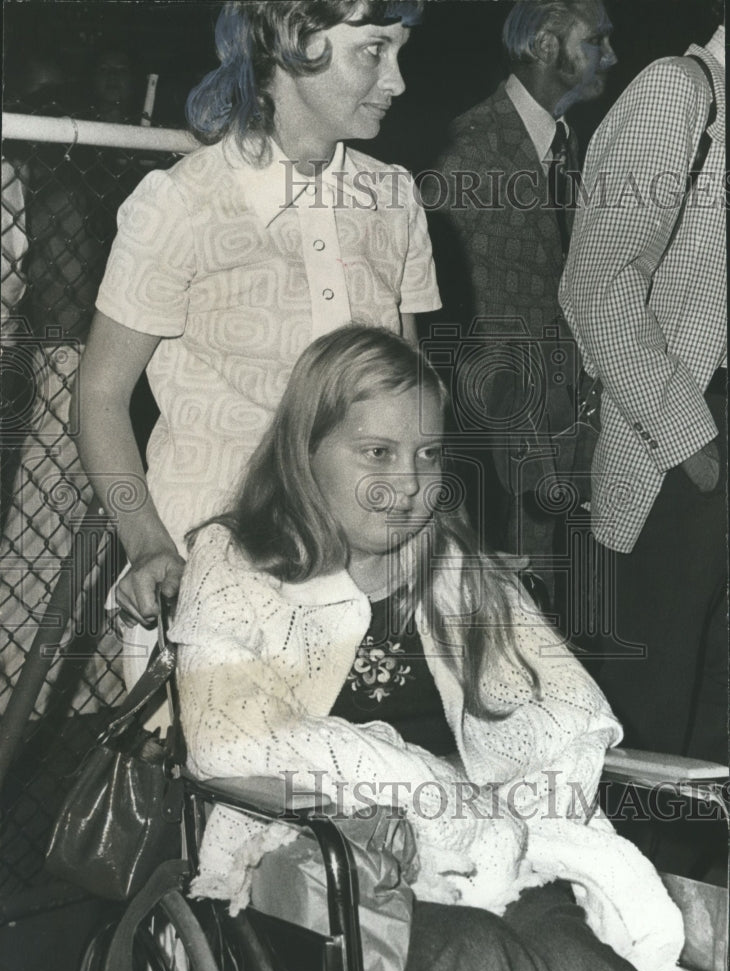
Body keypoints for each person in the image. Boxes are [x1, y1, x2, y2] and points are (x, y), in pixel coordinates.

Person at [171, 326, 683, 971]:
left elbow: (567, 713)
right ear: (306, 451)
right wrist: (417, 791)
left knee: (578, 959)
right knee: (473, 959)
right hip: (316, 864)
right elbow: (228, 742)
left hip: (478, 855)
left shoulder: (456, 567)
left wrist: (503, 816)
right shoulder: (237, 563)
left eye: (429, 454)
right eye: (377, 452)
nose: (408, 483)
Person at [73, 0, 440, 681]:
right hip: (212, 575)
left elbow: (411, 408)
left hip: (359, 581)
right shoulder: (181, 202)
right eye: (373, 51)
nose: (398, 81)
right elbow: (98, 395)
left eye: (400, 52)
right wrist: (149, 547)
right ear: (295, 42)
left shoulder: (394, 199)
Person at [559, 20, 726, 762]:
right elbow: (597, 284)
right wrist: (696, 444)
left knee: (715, 727)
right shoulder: (676, 92)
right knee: (655, 736)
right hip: (682, 449)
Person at [425, 0, 616, 609]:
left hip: (557, 455)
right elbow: (448, 331)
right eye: (597, 41)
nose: (611, 56)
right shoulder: (466, 152)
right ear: (544, 46)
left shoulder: (566, 143)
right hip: (496, 469)